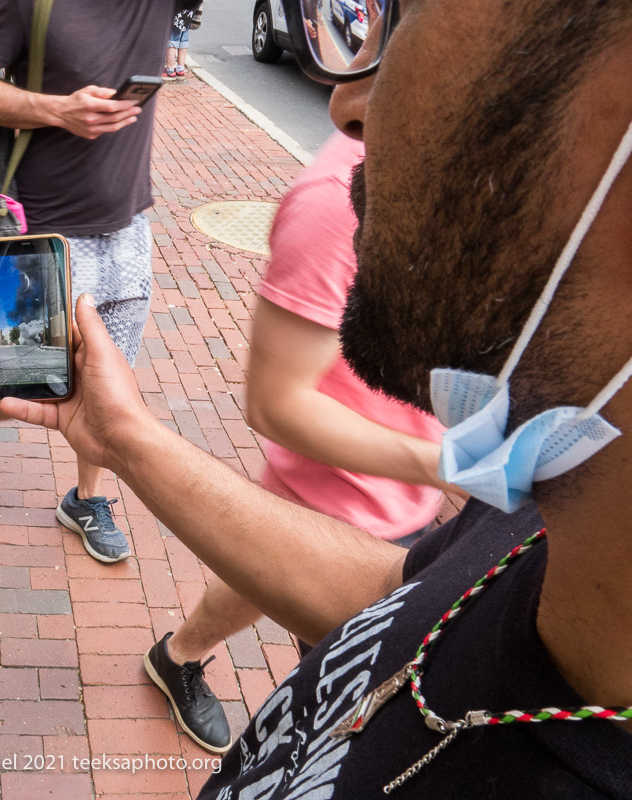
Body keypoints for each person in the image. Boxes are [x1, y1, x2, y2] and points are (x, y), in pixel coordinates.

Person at [1, 0, 632, 796]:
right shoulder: (539, 510)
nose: (346, 106)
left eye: (403, 19)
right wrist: (121, 435)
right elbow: (403, 604)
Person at [142, 131, 449, 755]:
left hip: (406, 496)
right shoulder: (340, 200)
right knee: (355, 726)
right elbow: (275, 401)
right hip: (350, 504)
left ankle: (177, 655)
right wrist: (448, 464)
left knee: (262, 571)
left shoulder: (470, 184)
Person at [0, 0, 199, 564]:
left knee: (110, 379)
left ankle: (87, 499)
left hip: (127, 222)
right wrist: (57, 110)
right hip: (39, 226)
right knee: (34, 376)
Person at [163, 3, 202, 82]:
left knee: (172, 38)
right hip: (190, 10)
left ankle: (170, 70)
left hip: (177, 9)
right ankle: (180, 69)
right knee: (183, 38)